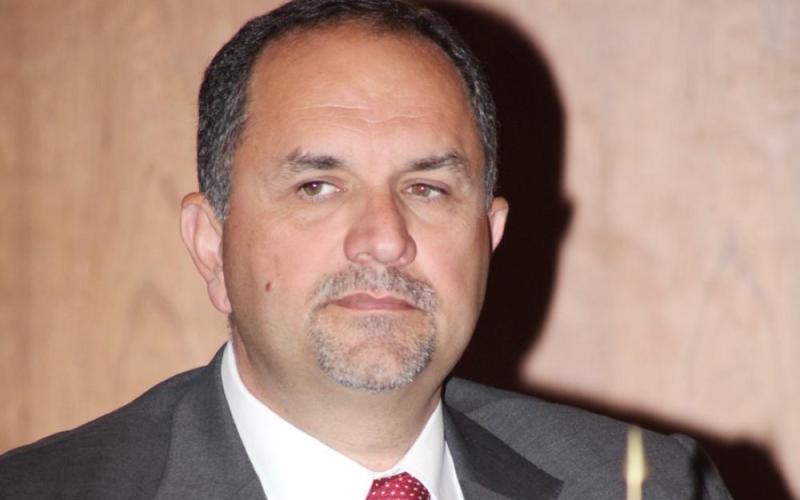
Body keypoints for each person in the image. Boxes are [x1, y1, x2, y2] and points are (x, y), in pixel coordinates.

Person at [0, 0, 731, 498]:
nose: (384, 237)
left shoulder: (653, 485)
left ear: (489, 238)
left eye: (427, 188)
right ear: (211, 244)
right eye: (317, 186)